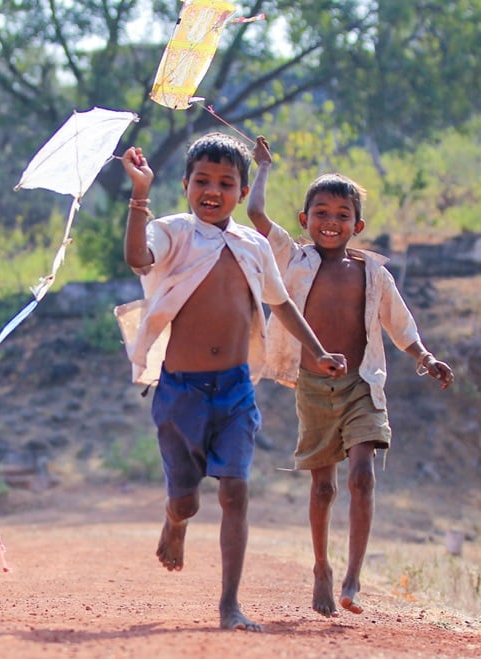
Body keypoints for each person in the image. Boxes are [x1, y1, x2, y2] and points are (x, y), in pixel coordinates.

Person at [114, 132, 348, 632]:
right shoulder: (173, 232)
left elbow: (281, 303)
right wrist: (140, 194)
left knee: (235, 492)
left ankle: (230, 605)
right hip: (180, 393)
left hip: (237, 389)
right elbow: (138, 259)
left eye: (225, 182)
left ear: (242, 192)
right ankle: (175, 522)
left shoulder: (252, 245)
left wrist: (318, 351)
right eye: (202, 181)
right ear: (185, 185)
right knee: (187, 500)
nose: (212, 191)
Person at [247, 136, 454, 618]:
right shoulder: (292, 259)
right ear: (304, 220)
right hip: (314, 387)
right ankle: (320, 566)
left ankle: (353, 577)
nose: (331, 222)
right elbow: (256, 215)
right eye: (321, 212)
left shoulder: (373, 273)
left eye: (342, 215)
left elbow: (399, 324)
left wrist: (425, 357)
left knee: (362, 477)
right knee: (323, 487)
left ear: (356, 225)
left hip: (363, 384)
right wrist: (262, 168)